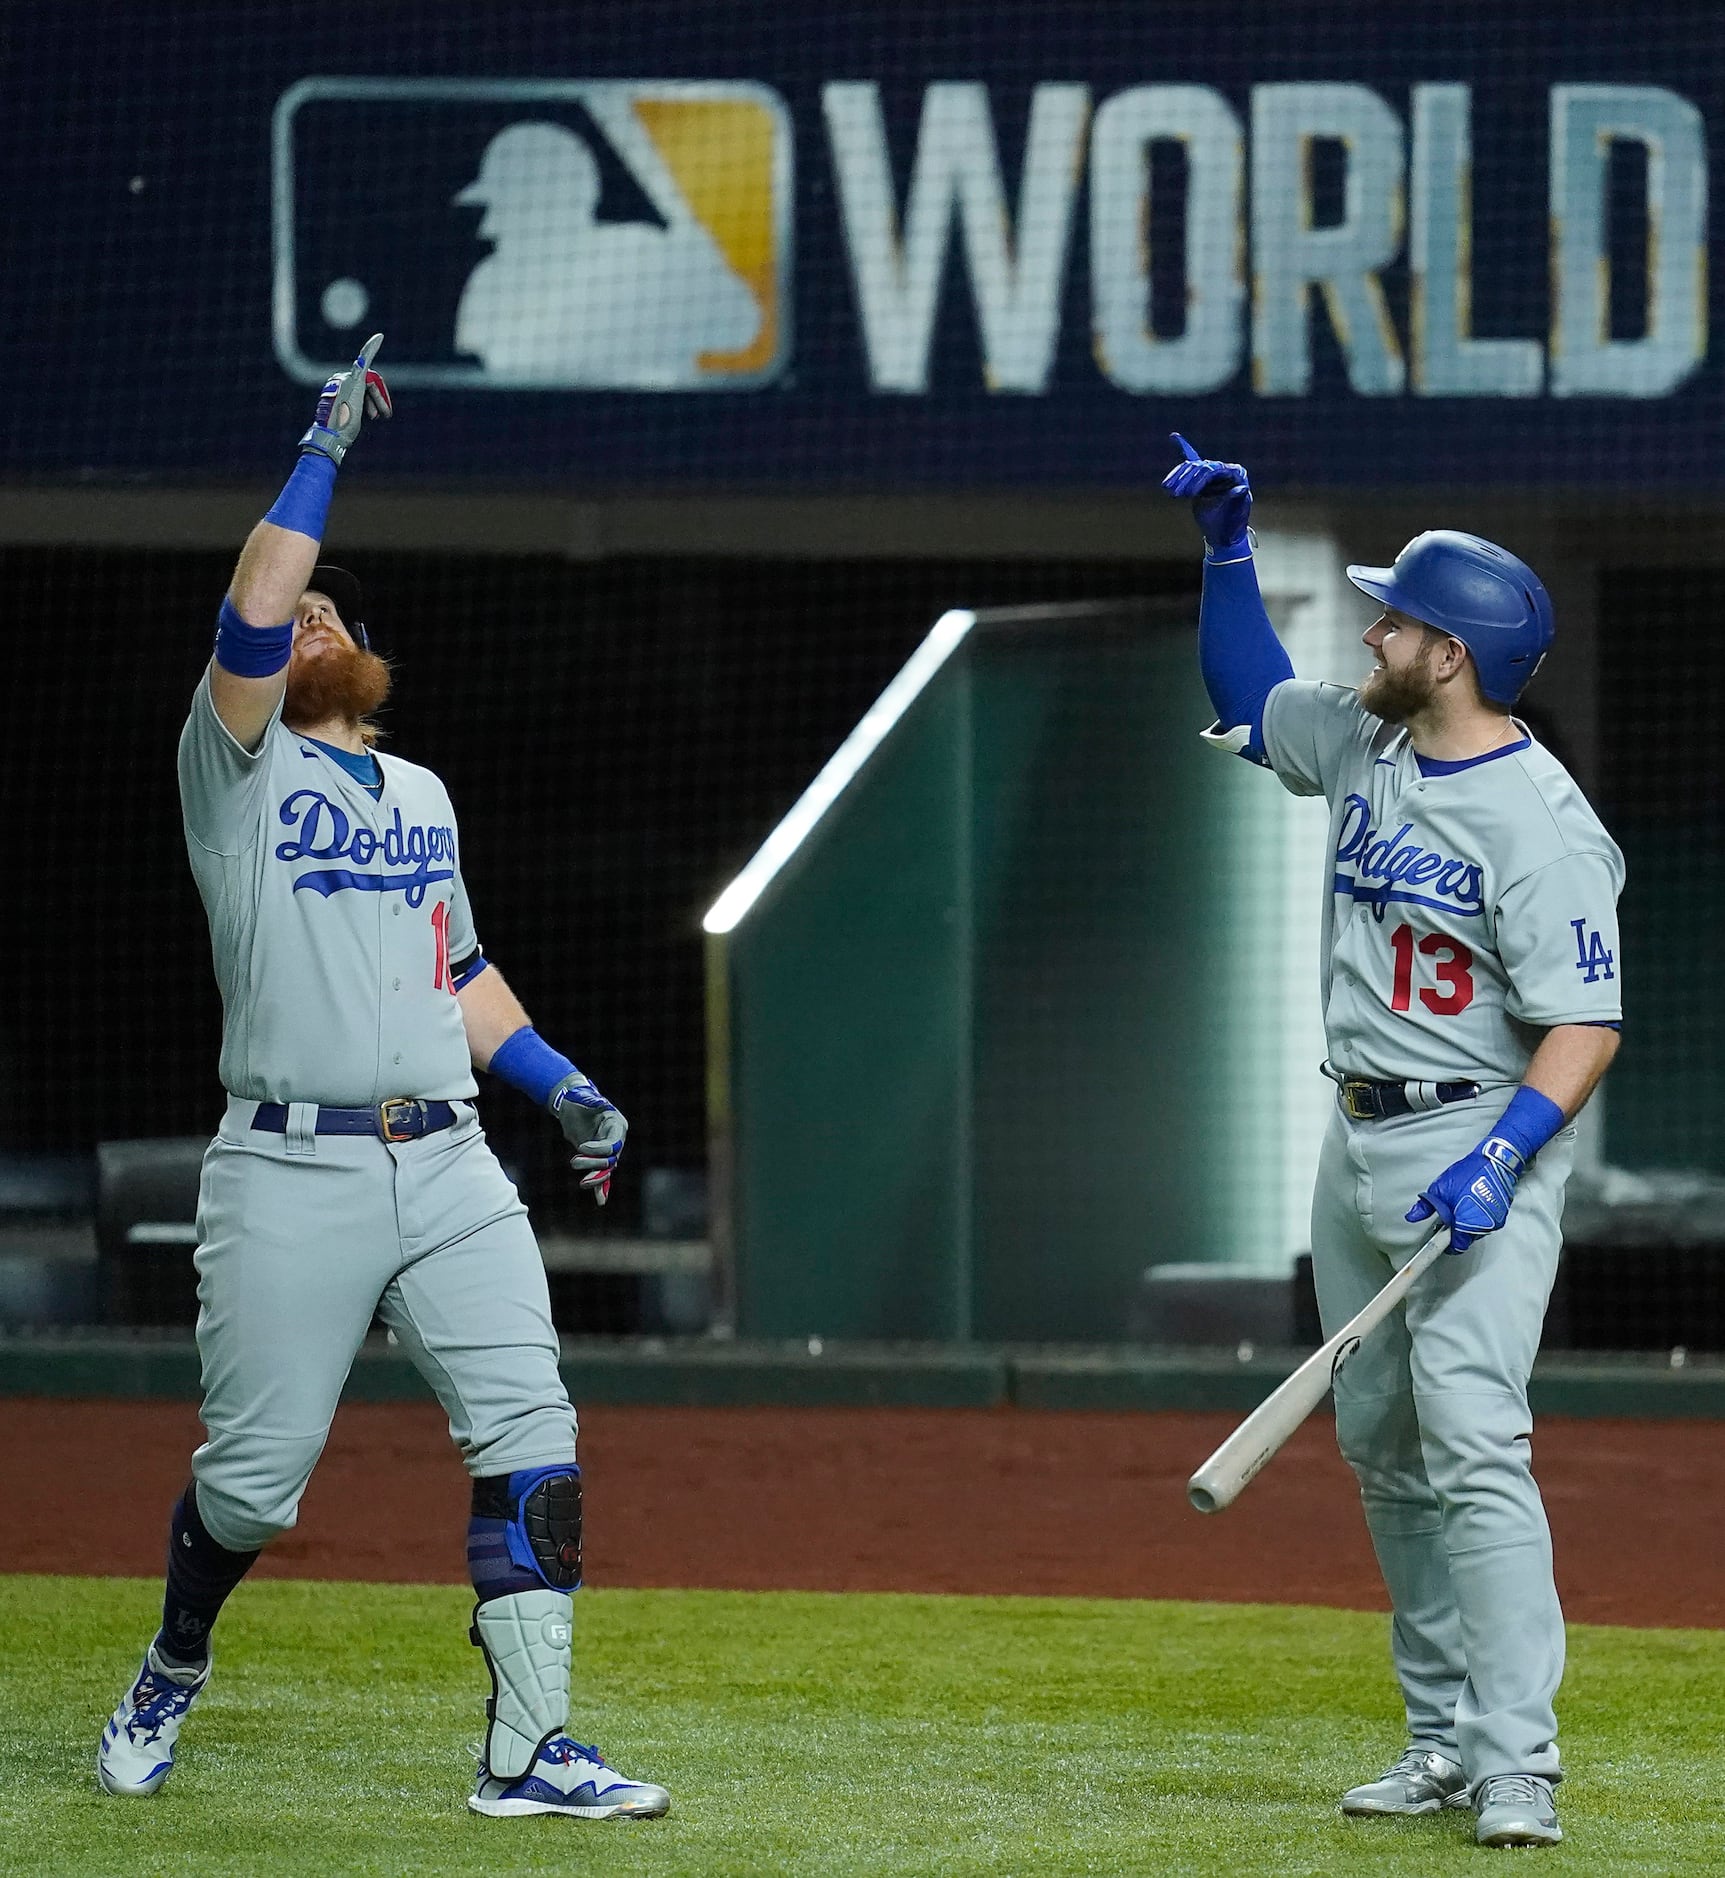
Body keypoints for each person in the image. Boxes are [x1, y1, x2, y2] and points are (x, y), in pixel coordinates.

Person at [96, 337, 669, 1823]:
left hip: (451, 1159)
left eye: (335, 608)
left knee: (533, 1434)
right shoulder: (232, 776)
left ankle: (528, 1752)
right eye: (301, 615)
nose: (315, 619)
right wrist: (323, 449)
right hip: (289, 1166)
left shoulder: (419, 794)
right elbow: (253, 608)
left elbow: (460, 970)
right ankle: (172, 1656)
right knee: (254, 1489)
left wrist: (561, 1082)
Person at [1164, 436, 1624, 1851]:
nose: (1370, 628)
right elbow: (1248, 700)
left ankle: (1516, 1761)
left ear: (1452, 651)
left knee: (1473, 1442)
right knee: (1380, 1442)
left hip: (1476, 1153)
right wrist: (1226, 555)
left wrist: (1506, 1155)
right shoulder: (1366, 734)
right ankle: (1437, 1735)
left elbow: (1584, 1024)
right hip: (1353, 1137)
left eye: (1395, 617)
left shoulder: (1545, 826)